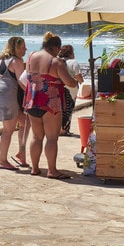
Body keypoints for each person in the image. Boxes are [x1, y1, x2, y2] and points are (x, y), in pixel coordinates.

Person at [24, 32, 78, 178]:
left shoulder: (30, 57)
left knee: (36, 137)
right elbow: (69, 82)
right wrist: (74, 81)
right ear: (56, 47)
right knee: (52, 138)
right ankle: (52, 170)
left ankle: (34, 168)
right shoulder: (55, 62)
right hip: (50, 103)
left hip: (32, 100)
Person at [0, 36, 27, 171]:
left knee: (25, 122)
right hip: (7, 97)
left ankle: (21, 154)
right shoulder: (16, 61)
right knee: (8, 130)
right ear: (16, 48)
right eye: (23, 47)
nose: (25, 49)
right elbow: (22, 81)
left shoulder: (0, 61)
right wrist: (33, 92)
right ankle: (3, 161)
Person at [58, 44, 84, 136]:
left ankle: (59, 128)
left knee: (60, 108)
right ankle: (65, 129)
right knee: (69, 108)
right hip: (71, 88)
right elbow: (78, 76)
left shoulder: (58, 61)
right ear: (71, 53)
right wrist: (82, 83)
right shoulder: (74, 62)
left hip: (59, 87)